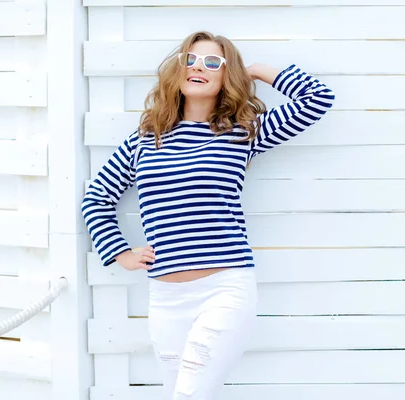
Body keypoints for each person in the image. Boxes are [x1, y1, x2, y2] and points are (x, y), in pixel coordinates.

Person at [81, 31, 335, 399]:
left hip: (224, 289)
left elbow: (318, 99)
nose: (198, 67)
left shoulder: (242, 133)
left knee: (189, 394)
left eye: (213, 62)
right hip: (165, 298)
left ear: (225, 76)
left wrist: (256, 71)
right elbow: (97, 198)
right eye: (191, 59)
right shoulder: (146, 138)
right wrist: (120, 252)